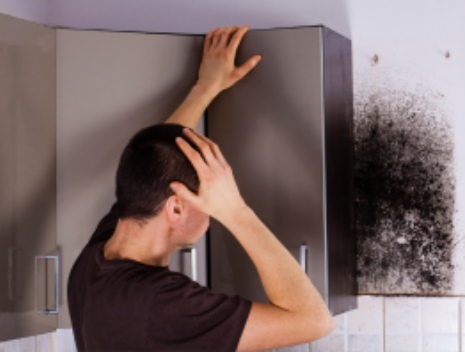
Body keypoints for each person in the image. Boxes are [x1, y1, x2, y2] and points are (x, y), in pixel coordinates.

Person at [67, 24, 335, 351]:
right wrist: (236, 211)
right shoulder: (160, 306)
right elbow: (314, 321)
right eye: (210, 201)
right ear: (176, 207)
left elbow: (159, 156)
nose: (213, 216)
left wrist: (205, 88)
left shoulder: (99, 257)